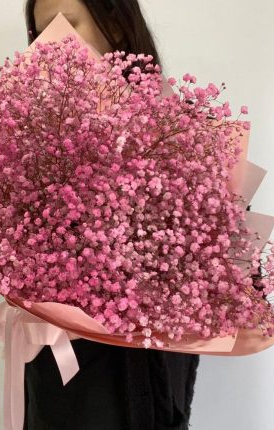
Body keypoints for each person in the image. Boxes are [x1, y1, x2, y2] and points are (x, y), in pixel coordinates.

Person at [22, 1, 201, 429]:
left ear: (116, 27)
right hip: (66, 364)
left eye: (65, 24)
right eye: (38, 34)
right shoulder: (33, 134)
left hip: (147, 365)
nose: (48, 44)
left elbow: (219, 244)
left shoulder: (178, 129)